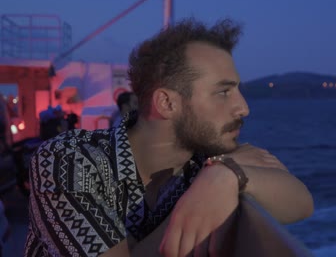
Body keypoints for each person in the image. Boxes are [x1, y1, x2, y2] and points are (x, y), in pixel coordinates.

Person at [24, 18, 314, 256]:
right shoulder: (68, 159)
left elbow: (301, 202)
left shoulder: (212, 160)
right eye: (223, 92)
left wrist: (227, 177)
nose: (244, 108)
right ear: (167, 103)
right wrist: (197, 198)